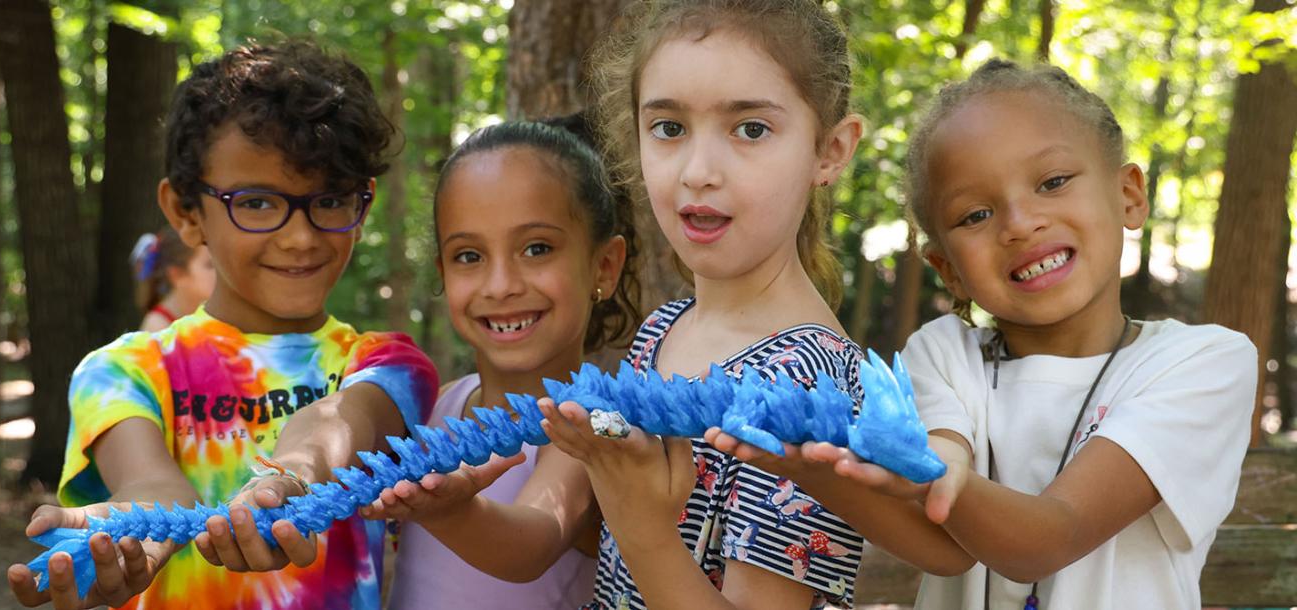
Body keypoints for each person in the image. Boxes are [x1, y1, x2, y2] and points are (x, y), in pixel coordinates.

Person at [800, 59, 1257, 609]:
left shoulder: (1202, 362)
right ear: (948, 270)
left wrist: (930, 473)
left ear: (1129, 196)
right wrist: (805, 465)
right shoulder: (942, 354)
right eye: (975, 215)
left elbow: (1052, 535)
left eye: (1053, 182)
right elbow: (945, 539)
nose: (1020, 223)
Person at [7, 40, 438, 610]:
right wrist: (131, 534)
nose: (301, 236)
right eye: (257, 203)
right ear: (186, 212)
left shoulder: (388, 364)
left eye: (330, 199)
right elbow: (153, 488)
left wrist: (291, 475)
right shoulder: (122, 371)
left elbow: (339, 422)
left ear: (364, 203)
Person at [531, 1, 899, 607]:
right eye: (669, 128)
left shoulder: (811, 388)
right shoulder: (662, 329)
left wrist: (640, 524)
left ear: (830, 150)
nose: (698, 171)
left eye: (750, 129)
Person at [193, 120, 639, 609]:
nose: (500, 284)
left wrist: (451, 512)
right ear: (444, 274)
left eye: (536, 249)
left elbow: (533, 542)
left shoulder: (593, 422)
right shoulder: (441, 403)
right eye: (469, 255)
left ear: (604, 266)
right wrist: (288, 477)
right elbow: (338, 423)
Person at [130, 228, 215, 332]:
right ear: (177, 275)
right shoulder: (158, 330)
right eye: (210, 265)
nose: (220, 271)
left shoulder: (206, 315)